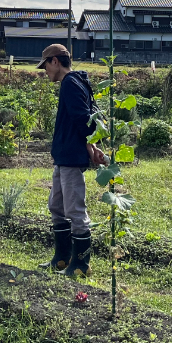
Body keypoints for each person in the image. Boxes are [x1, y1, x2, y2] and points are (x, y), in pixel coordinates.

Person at [37, 43, 105, 277]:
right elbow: (82, 121)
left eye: (45, 65)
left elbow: (83, 120)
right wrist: (92, 146)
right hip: (64, 155)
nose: (45, 70)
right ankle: (62, 258)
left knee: (75, 210)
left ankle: (81, 265)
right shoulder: (76, 82)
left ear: (55, 61)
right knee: (56, 206)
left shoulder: (69, 84)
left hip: (71, 158)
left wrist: (91, 145)